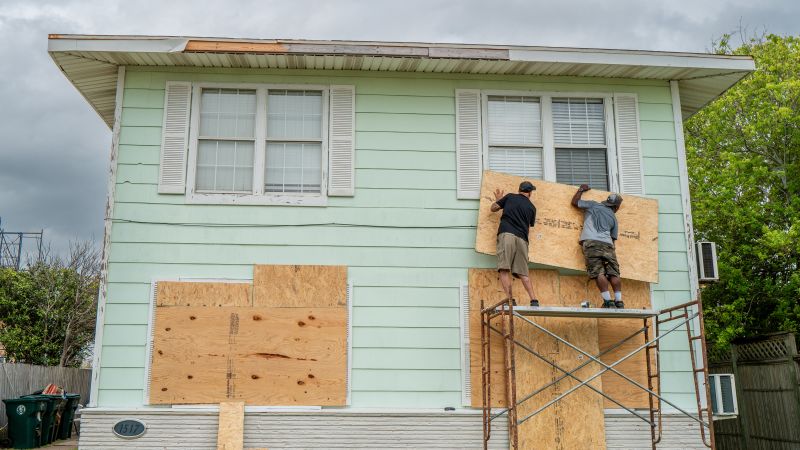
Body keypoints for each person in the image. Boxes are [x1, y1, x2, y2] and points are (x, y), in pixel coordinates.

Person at [572, 184, 624, 308]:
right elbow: (613, 238)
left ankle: (608, 302)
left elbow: (575, 202)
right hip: (608, 245)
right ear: (616, 207)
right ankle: (619, 301)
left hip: (591, 243)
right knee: (614, 273)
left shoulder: (593, 205)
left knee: (598, 273)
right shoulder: (613, 218)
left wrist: (581, 190)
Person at [491, 181, 539, 307]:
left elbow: (493, 208)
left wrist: (499, 200)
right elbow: (528, 228)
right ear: (530, 193)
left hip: (507, 234)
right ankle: (534, 300)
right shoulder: (532, 208)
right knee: (523, 272)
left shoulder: (510, 197)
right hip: (523, 239)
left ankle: (510, 300)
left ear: (519, 190)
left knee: (504, 269)